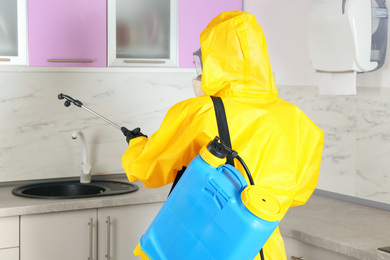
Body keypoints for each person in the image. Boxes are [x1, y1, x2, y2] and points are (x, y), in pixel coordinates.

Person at [122, 11, 324, 260]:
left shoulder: (201, 111)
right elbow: (298, 194)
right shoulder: (299, 121)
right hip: (261, 248)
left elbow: (147, 169)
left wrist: (137, 144)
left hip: (204, 246)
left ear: (215, 61)